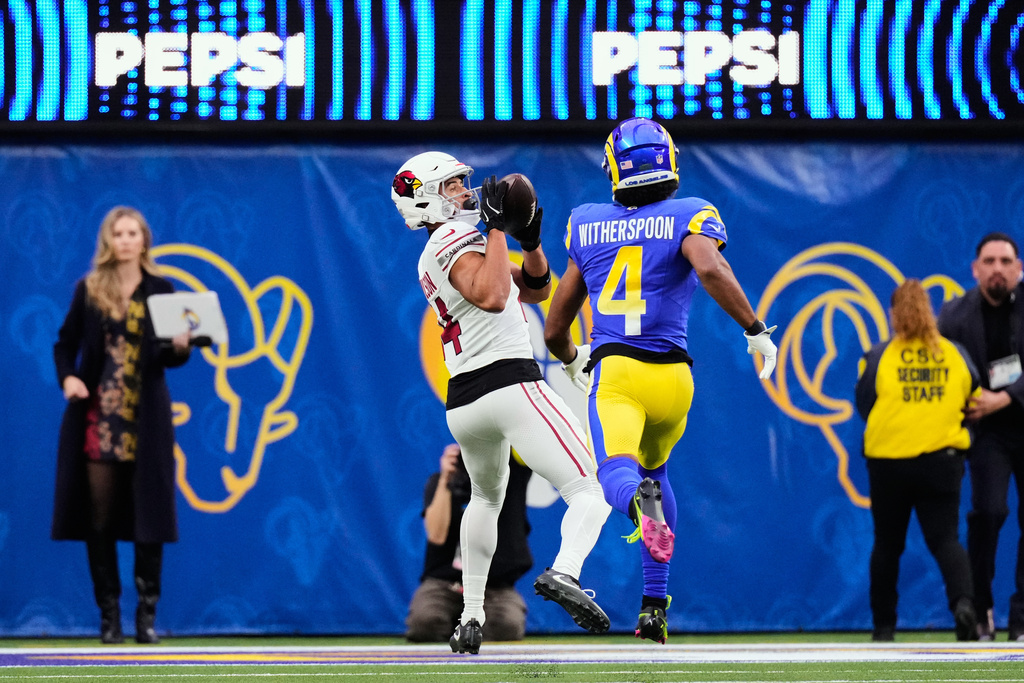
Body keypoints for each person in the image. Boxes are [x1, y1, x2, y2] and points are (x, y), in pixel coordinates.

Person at [543, 117, 778, 644]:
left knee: (616, 476)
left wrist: (571, 358)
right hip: (675, 379)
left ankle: (637, 504)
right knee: (658, 472)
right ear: (666, 158)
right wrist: (755, 329)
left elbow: (557, 324)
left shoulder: (587, 223)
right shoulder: (690, 213)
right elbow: (711, 269)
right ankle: (654, 606)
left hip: (620, 373)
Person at [391, 151, 612, 654]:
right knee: (590, 488)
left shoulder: (449, 243)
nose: (464, 192)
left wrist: (529, 241)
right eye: (449, 187)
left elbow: (533, 290)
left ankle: (470, 616)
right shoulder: (453, 238)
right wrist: (494, 229)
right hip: (509, 384)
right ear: (424, 199)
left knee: (486, 500)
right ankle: (565, 572)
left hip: (467, 403)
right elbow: (492, 296)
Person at [52, 206, 192, 644]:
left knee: (150, 516)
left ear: (145, 240)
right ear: (109, 241)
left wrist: (183, 344)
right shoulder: (89, 289)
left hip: (145, 416)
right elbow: (65, 344)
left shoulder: (162, 289)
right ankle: (109, 617)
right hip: (99, 417)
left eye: (134, 232)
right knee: (100, 519)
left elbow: (172, 358)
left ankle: (145, 618)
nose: (127, 240)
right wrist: (69, 378)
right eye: (119, 233)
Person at [855, 279, 980, 642]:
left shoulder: (878, 356)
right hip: (943, 460)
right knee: (945, 540)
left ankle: (883, 627)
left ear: (893, 313)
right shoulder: (953, 353)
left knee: (887, 545)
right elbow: (974, 396)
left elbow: (864, 404)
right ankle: (963, 605)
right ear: (930, 309)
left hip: (889, 462)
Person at [937, 232, 1024, 641]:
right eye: (989, 262)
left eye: (1006, 261)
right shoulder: (953, 315)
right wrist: (973, 402)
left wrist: (1004, 398)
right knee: (988, 514)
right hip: (984, 432)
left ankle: (1022, 616)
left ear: (1019, 268)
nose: (997, 269)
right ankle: (983, 609)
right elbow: (942, 370)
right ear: (975, 269)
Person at [405, 444, 533, 643]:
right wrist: (446, 479)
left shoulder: (511, 476)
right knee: (425, 623)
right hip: (444, 584)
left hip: (495, 587)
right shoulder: (440, 482)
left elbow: (519, 435)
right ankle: (456, 630)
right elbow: (436, 535)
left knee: (507, 626)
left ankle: (472, 632)